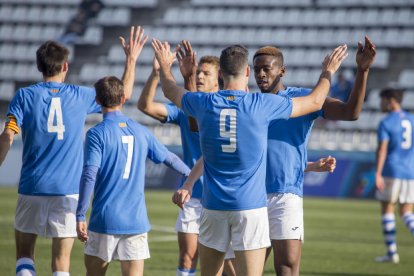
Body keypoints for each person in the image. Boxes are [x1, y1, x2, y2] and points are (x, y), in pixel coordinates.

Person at [152, 39, 347, 276]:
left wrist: (164, 66)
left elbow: (169, 90)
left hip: (213, 206)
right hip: (250, 207)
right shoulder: (262, 104)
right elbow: (316, 101)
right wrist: (328, 72)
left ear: (221, 74)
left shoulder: (203, 102)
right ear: (247, 71)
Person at [0, 26, 146, 276]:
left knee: (25, 256)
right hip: (68, 191)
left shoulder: (24, 96)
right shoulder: (79, 95)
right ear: (65, 67)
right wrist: (131, 60)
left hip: (32, 187)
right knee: (61, 262)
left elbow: (7, 137)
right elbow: (123, 94)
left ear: (39, 67)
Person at [252, 36, 376, 276]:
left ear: (282, 71)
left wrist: (362, 70)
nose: (261, 74)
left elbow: (351, 113)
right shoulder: (251, 102)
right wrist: (308, 166)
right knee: (240, 270)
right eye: (257, 70)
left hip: (286, 195)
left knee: (286, 268)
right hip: (250, 195)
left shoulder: (305, 99)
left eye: (267, 68)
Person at [75, 76, 191, 276]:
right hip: (135, 222)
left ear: (97, 100)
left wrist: (79, 214)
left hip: (105, 219)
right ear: (123, 98)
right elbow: (170, 159)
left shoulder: (96, 134)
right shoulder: (141, 131)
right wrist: (191, 176)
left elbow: (89, 174)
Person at [138, 41, 235, 276]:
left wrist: (186, 77)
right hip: (192, 196)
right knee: (188, 256)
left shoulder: (228, 109)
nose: (200, 76)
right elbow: (145, 106)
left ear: (218, 78)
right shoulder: (185, 108)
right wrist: (156, 72)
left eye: (206, 73)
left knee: (229, 266)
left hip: (223, 194)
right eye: (198, 72)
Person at [375, 88, 414, 264]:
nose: (380, 104)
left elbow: (383, 148)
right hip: (410, 171)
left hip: (392, 170)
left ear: (391, 100)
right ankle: (391, 254)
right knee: (407, 212)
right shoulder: (412, 120)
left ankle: (392, 253)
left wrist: (377, 173)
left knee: (387, 209)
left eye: (382, 100)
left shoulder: (386, 122)